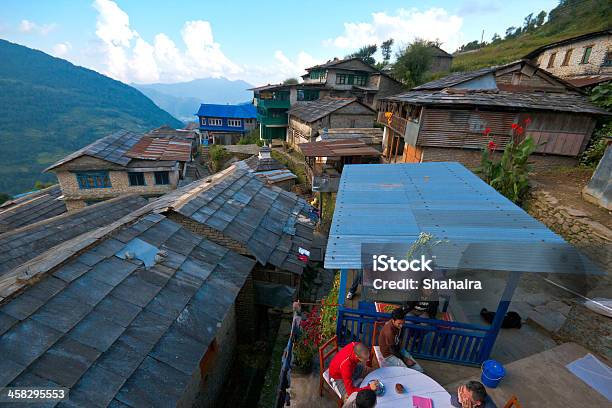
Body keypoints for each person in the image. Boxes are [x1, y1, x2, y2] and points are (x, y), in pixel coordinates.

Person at [378, 307, 424, 372]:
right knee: (405, 371)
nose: (401, 326)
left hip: (398, 350)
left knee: (419, 370)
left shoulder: (398, 325)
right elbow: (392, 350)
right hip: (389, 355)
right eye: (399, 324)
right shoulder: (389, 332)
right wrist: (405, 359)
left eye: (403, 323)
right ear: (393, 320)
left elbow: (398, 342)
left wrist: (404, 355)